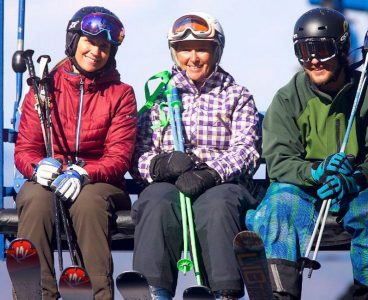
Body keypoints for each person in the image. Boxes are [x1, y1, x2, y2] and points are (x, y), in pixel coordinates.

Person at [246, 7, 368, 300]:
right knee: (281, 205)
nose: (313, 60)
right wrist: (315, 172)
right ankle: (280, 292)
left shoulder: (367, 93)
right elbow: (279, 161)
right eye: (303, 51)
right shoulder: (288, 98)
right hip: (303, 186)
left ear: (342, 48)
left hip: (352, 187)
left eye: (322, 49)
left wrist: (356, 179)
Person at [131, 12, 261, 300]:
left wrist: (210, 172)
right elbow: (139, 152)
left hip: (221, 183)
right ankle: (154, 290)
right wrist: (159, 165)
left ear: (216, 51)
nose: (193, 57)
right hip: (172, 182)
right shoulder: (162, 96)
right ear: (174, 52)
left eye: (201, 48)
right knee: (155, 201)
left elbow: (246, 149)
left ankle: (223, 290)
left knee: (217, 206)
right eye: (183, 49)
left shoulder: (236, 95)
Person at [14, 6, 137, 300]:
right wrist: (35, 168)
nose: (96, 51)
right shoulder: (43, 89)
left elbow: (119, 157)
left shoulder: (121, 94)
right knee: (34, 197)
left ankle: (97, 293)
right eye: (89, 42)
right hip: (53, 178)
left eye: (104, 47)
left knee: (88, 202)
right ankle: (37, 291)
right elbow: (25, 148)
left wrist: (84, 173)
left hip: (100, 182)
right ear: (74, 41)